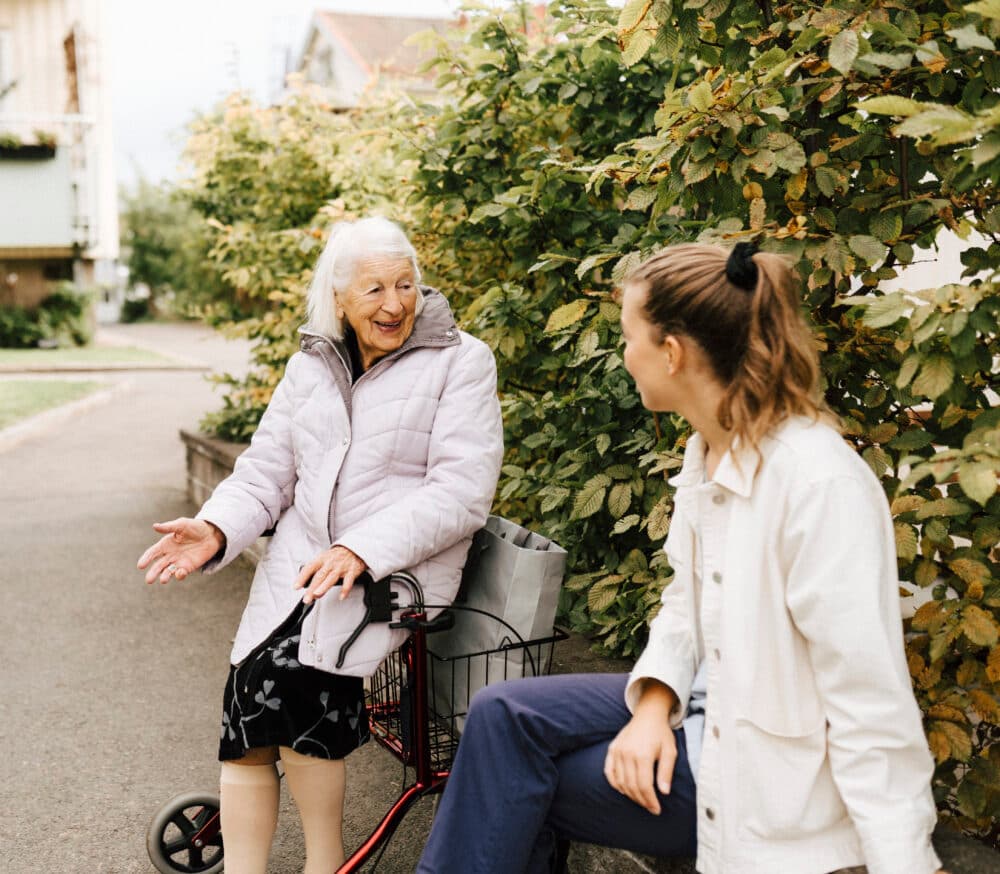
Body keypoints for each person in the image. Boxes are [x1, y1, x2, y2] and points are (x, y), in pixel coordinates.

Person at [417, 242, 947, 874]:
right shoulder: (709, 451)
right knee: (502, 715)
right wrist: (652, 705)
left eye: (628, 337)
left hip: (760, 775)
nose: (624, 355)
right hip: (706, 702)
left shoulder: (817, 484)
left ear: (672, 353)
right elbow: (685, 603)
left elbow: (870, 701)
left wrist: (905, 862)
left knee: (516, 783)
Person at [137, 216, 503, 874]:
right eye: (373, 290)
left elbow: (463, 491)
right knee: (247, 689)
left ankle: (326, 863)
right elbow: (266, 473)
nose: (394, 304)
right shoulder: (311, 365)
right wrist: (216, 528)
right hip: (307, 568)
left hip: (398, 573)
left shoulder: (462, 361)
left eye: (405, 284)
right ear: (338, 298)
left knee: (292, 684)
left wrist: (361, 549)